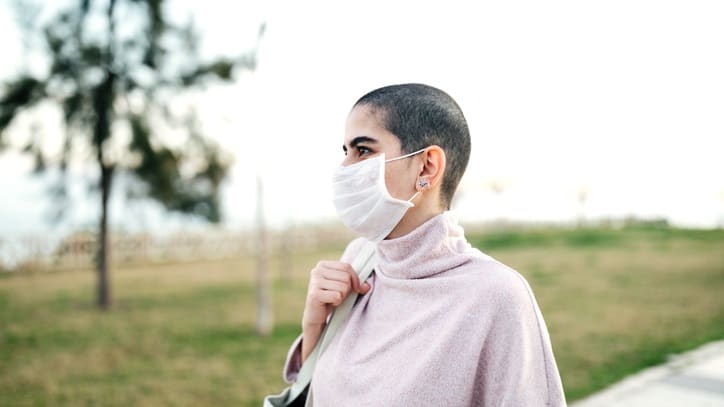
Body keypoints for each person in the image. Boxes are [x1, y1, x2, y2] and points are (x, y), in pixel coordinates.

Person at [281, 83, 566, 406]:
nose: (344, 169)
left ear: (427, 167)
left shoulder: (497, 295)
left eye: (363, 150)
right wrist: (315, 325)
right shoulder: (358, 260)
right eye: (345, 152)